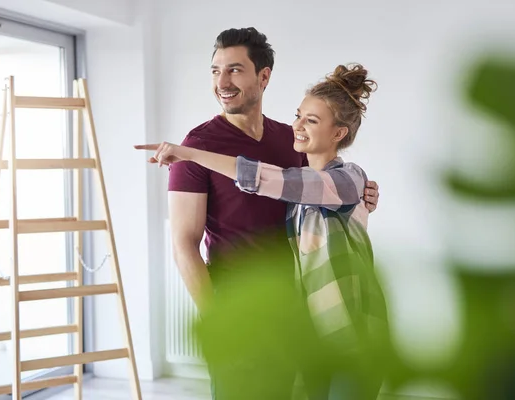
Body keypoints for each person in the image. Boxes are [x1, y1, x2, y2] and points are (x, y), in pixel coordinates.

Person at [135, 27, 381, 400]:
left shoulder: (290, 140)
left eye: (234, 70)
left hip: (296, 310)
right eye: (215, 70)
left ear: (263, 76)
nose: (222, 81)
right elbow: (184, 244)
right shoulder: (196, 145)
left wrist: (362, 195)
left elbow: (314, 190)